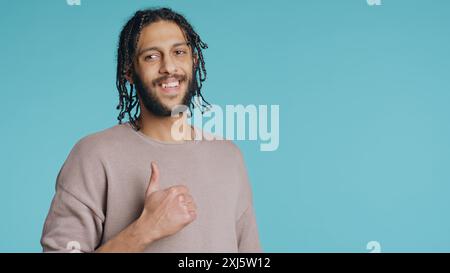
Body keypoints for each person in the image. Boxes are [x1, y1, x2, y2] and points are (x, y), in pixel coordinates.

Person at [40, 7, 261, 253]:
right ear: (129, 72)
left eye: (179, 52)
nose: (169, 67)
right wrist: (145, 230)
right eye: (152, 57)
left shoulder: (228, 156)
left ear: (193, 61)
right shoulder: (93, 155)